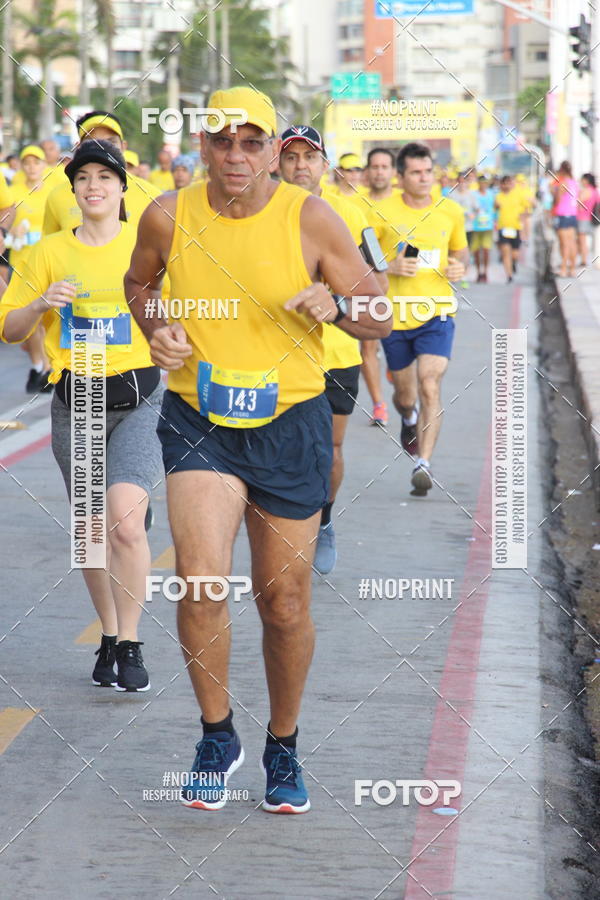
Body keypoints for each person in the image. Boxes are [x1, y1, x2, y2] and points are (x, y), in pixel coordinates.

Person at [124, 85, 391, 813]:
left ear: (275, 151)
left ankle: (283, 742)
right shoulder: (167, 213)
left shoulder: (311, 217)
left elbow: (379, 310)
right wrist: (158, 326)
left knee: (283, 600)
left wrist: (338, 305)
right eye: (222, 141)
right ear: (202, 146)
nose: (236, 155)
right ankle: (216, 734)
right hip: (198, 420)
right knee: (203, 584)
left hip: (292, 421)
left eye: (252, 142)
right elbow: (139, 282)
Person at [0, 141, 164, 692]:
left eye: (105, 177)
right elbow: (11, 330)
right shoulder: (47, 253)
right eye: (84, 178)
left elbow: (179, 312)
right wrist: (42, 303)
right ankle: (112, 636)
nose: (94, 186)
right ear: (73, 190)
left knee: (124, 519)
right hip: (80, 402)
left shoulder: (146, 248)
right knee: (92, 533)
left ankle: (134, 640)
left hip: (140, 399)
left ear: (122, 188)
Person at [279, 124, 387, 575]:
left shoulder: (351, 214)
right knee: (282, 447)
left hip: (336, 352)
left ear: (324, 164)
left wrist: (335, 302)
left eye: (310, 157)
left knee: (330, 449)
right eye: (291, 157)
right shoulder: (258, 213)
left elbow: (377, 288)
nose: (301, 165)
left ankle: (322, 519)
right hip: (276, 352)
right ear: (277, 164)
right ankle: (285, 529)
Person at [379, 142, 468, 495]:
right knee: (404, 395)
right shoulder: (380, 213)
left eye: (428, 171)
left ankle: (424, 463)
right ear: (400, 177)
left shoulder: (450, 212)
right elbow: (359, 259)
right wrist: (389, 266)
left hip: (437, 313)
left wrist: (460, 266)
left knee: (430, 383)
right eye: (415, 172)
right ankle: (408, 417)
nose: (423, 178)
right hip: (395, 318)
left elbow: (460, 251)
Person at [42, 111, 162, 235]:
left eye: (110, 142)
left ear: (123, 146)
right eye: (92, 143)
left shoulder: (152, 197)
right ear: (78, 147)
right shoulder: (56, 197)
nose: (102, 149)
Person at [350, 148, 401, 427]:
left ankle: (395, 367)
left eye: (385, 166)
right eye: (375, 167)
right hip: (367, 289)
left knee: (398, 351)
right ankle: (379, 404)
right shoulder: (355, 206)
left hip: (404, 292)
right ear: (367, 172)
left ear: (394, 172)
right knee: (367, 349)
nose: (380, 171)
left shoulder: (406, 204)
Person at [8, 145, 55, 392]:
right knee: (30, 319)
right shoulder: (14, 191)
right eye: (27, 163)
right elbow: (5, 218)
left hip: (44, 262)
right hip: (20, 262)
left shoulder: (52, 193)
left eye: (36, 162)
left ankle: (46, 366)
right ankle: (40, 366)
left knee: (46, 320)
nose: (32, 167)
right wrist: (10, 230)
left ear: (43, 165)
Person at [495, 175, 526, 283]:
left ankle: (514, 263)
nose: (507, 185)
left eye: (509, 183)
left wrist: (522, 217)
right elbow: (494, 208)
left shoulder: (518, 195)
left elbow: (526, 208)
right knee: (505, 252)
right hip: (503, 228)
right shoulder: (498, 196)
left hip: (515, 228)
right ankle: (509, 275)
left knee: (515, 254)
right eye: (505, 183)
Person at [551, 161, 578, 278]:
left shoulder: (563, 184)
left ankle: (563, 268)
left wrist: (553, 191)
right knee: (572, 243)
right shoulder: (574, 182)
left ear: (561, 170)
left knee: (564, 244)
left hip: (562, 214)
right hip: (572, 214)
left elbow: (557, 200)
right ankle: (572, 268)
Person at [470, 176, 495, 282]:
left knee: (486, 250)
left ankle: (485, 272)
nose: (483, 185)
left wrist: (495, 220)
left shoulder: (491, 194)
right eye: (481, 183)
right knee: (475, 251)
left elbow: (495, 207)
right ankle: (478, 272)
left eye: (485, 183)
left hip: (487, 226)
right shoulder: (473, 194)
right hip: (475, 226)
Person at [576, 173, 598, 267]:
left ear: (586, 180)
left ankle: (584, 260)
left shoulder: (586, 190)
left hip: (583, 217)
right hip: (590, 218)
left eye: (582, 179)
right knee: (583, 240)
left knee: (582, 240)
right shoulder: (595, 191)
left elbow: (579, 202)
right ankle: (584, 258)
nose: (581, 181)